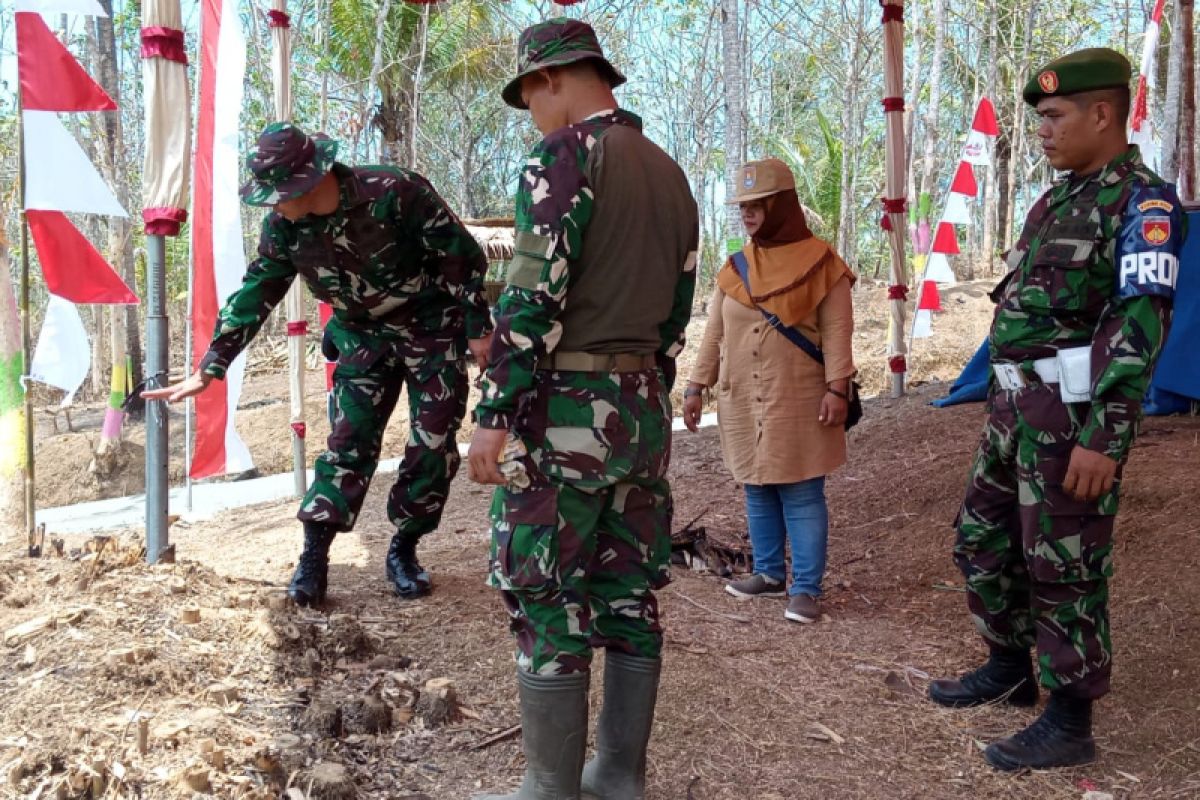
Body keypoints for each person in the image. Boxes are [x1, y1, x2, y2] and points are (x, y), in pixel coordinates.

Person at [928, 48, 1185, 771]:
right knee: (982, 540)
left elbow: (1137, 329)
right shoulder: (1058, 199)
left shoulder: (1143, 204)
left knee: (1064, 565)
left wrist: (1105, 438)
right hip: (1014, 409)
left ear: (1103, 113)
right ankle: (1008, 661)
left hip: (1071, 418)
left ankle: (1070, 718)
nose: (1040, 130)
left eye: (1053, 116)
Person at [465, 18, 698, 800]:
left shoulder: (564, 155)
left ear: (552, 80)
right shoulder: (670, 171)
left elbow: (533, 296)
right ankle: (619, 776)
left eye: (529, 95)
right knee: (628, 590)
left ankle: (549, 788)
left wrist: (494, 412)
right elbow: (675, 313)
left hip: (561, 413)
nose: (531, 112)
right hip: (640, 414)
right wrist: (639, 385)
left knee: (543, 593)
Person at [143, 123, 492, 607]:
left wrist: (478, 327)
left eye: (278, 193)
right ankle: (314, 556)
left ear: (308, 179)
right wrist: (213, 364)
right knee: (347, 445)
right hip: (359, 336)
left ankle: (404, 548)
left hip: (430, 328)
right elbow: (257, 291)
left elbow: (463, 258)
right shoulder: (283, 228)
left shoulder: (394, 191)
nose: (272, 204)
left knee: (432, 444)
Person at [682, 158, 856, 625]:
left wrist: (837, 390)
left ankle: (805, 589)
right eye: (744, 205)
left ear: (783, 205)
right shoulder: (736, 268)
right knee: (757, 487)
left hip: (798, 395)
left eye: (759, 204)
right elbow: (714, 334)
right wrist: (696, 386)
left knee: (800, 492)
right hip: (741, 398)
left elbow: (838, 333)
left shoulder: (823, 264)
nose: (749, 213)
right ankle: (768, 573)